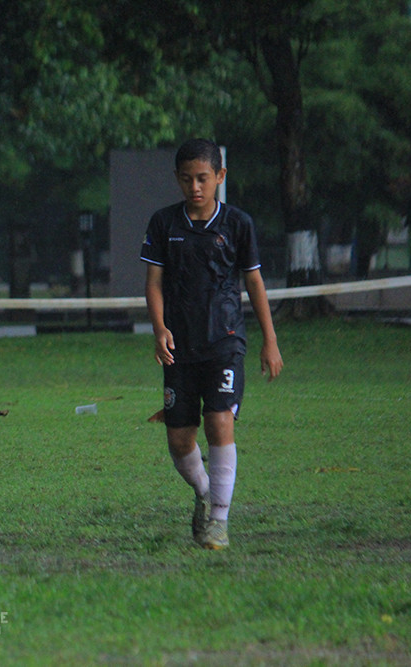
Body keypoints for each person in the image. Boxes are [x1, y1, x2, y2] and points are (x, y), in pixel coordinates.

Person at [141, 138, 283, 550]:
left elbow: (254, 281)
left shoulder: (238, 224)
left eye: (203, 178)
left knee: (220, 420)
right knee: (179, 439)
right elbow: (153, 283)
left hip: (225, 340)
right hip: (179, 346)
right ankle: (204, 490)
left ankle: (219, 520)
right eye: (187, 179)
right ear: (178, 180)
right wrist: (159, 328)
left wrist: (269, 341)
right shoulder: (163, 224)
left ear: (220, 177)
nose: (195, 187)